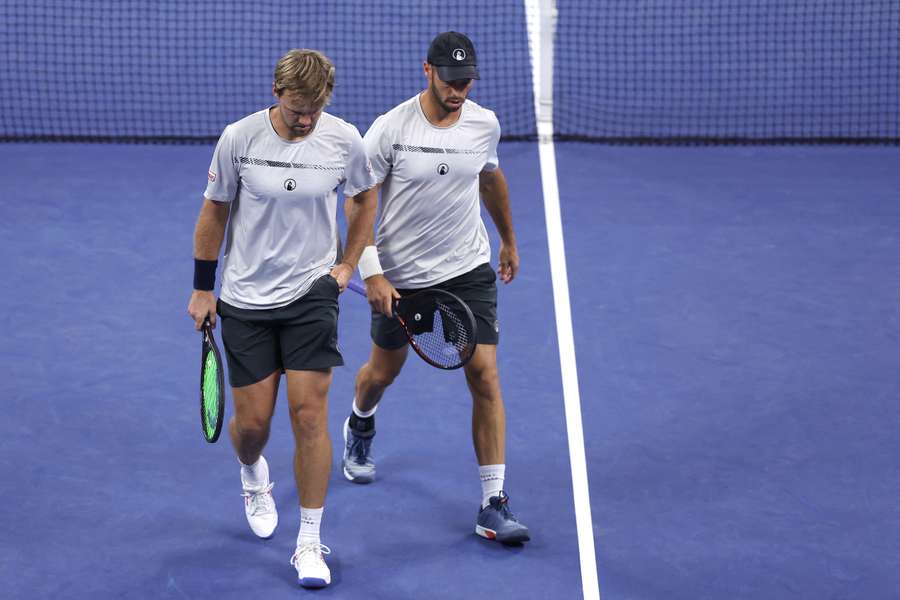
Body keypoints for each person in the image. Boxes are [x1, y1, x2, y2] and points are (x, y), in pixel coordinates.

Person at [187, 49, 377, 588]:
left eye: (315, 109)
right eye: (297, 109)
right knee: (252, 428)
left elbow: (365, 199)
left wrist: (346, 265)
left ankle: (310, 542)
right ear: (277, 93)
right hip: (245, 300)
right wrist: (203, 289)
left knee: (310, 415)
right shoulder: (240, 139)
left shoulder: (343, 140)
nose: (306, 120)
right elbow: (214, 211)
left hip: (312, 295)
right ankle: (253, 474)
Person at [342, 31, 530, 544]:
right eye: (450, 81)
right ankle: (361, 423)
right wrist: (372, 271)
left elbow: (490, 178)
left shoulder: (483, 123)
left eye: (466, 82)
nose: (458, 91)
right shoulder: (389, 130)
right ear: (427, 71)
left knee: (485, 375)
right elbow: (360, 201)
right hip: (403, 279)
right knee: (381, 373)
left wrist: (508, 240)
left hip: (468, 269)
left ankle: (493, 502)